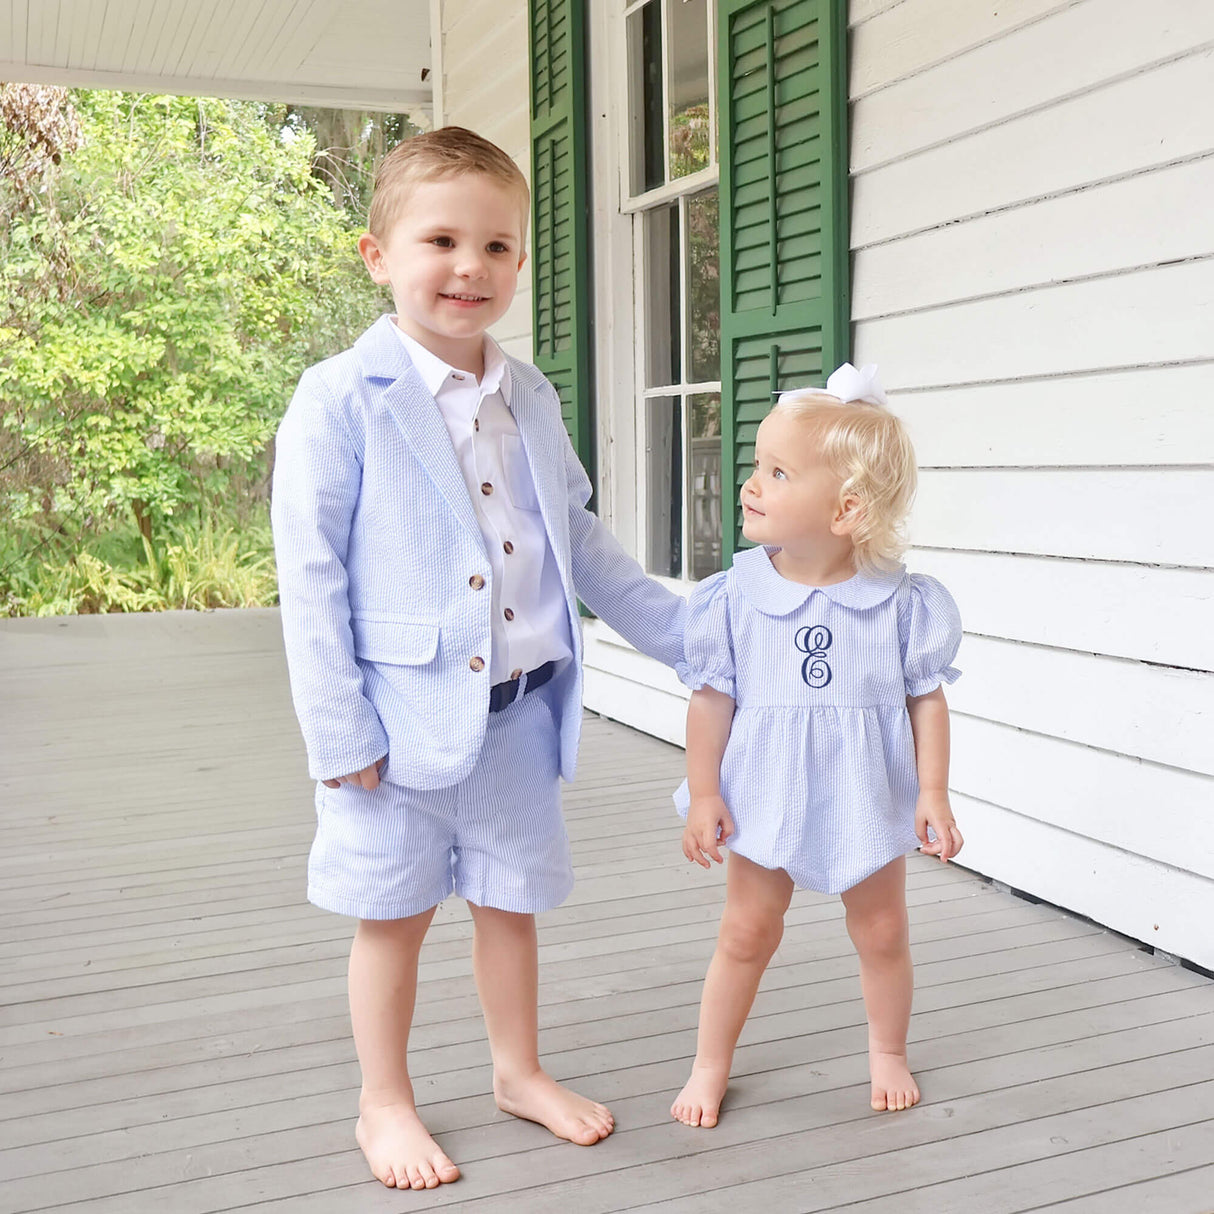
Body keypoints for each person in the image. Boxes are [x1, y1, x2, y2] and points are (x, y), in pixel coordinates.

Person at [271, 125, 685, 1191]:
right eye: (441, 239)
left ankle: (516, 1069)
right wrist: (339, 731)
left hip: (519, 710)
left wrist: (686, 634)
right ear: (376, 254)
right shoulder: (338, 397)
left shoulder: (528, 395)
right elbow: (309, 577)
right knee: (393, 917)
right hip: (396, 727)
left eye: (497, 246)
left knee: (510, 903)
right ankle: (384, 1099)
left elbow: (580, 539)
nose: (470, 267)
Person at [669, 363, 963, 1129]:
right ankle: (709, 1063)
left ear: (847, 509)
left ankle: (888, 1050)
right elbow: (711, 702)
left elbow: (924, 699)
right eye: (755, 466)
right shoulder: (733, 597)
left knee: (883, 929)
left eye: (776, 471)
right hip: (763, 789)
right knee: (746, 929)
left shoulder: (901, 603)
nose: (751, 483)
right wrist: (705, 793)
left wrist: (932, 791)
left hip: (866, 790)